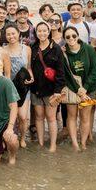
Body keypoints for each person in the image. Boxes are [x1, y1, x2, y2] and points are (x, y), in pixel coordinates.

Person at [61, 26, 96, 151]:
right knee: (72, 116)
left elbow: (95, 71)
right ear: (64, 39)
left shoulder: (88, 49)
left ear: (78, 36)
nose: (71, 38)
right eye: (67, 37)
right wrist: (78, 89)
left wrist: (85, 88)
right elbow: (66, 75)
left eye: (74, 35)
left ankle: (83, 143)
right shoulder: (63, 53)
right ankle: (75, 143)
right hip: (72, 88)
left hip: (89, 89)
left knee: (85, 117)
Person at [30, 22, 66, 152]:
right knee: (39, 117)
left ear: (49, 31)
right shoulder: (33, 47)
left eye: (45, 31)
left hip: (51, 90)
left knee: (51, 118)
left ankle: (52, 145)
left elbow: (61, 72)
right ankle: (40, 143)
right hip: (36, 89)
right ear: (36, 32)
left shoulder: (56, 48)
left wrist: (58, 91)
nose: (42, 33)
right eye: (39, 31)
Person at [2, 24, 33, 146]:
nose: (11, 36)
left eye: (13, 33)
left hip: (23, 86)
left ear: (19, 34)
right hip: (9, 85)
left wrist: (32, 77)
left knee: (23, 116)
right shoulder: (2, 50)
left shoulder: (27, 49)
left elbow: (28, 67)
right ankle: (10, 136)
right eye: (8, 34)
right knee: (10, 115)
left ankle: (22, 138)